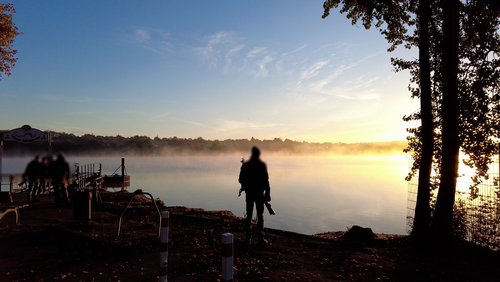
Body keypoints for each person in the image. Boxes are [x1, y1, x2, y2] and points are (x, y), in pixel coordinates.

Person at [238, 146, 271, 245]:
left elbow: (240, 180)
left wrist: (246, 185)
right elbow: (266, 181)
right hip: (259, 194)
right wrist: (267, 193)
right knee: (260, 216)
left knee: (249, 216)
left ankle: (248, 239)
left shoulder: (246, 165)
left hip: (250, 194)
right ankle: (261, 239)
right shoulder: (262, 165)